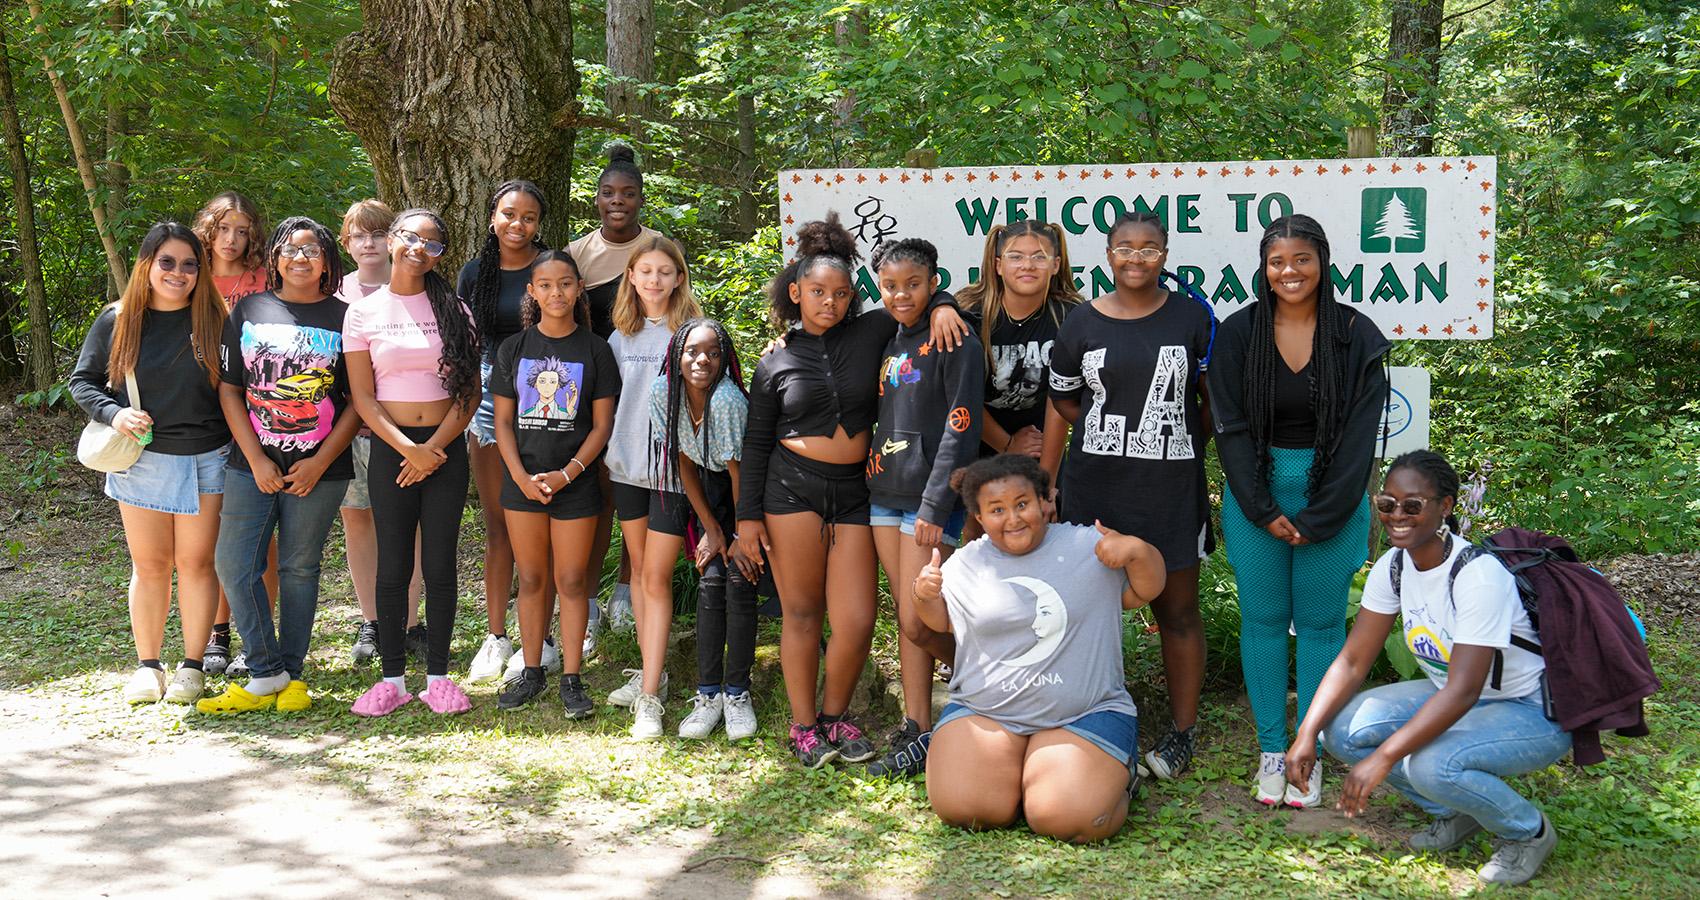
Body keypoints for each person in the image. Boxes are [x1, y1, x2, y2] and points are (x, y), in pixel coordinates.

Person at [735, 214, 967, 768]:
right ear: (796, 292)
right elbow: (756, 441)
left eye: (841, 294)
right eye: (817, 292)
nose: (830, 303)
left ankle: (836, 714)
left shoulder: (873, 332)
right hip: (789, 492)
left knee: (859, 618)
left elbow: (918, 295)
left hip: (857, 490)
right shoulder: (774, 360)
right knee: (801, 613)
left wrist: (945, 304)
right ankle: (804, 726)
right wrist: (747, 519)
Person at [1286, 450, 1567, 886]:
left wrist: (1383, 757)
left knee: (1431, 766)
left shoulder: (1478, 575)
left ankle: (1528, 832)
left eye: (1413, 505)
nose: (1398, 515)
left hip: (1530, 708)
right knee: (1339, 729)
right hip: (1453, 694)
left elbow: (1464, 691)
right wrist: (1306, 734)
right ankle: (1456, 812)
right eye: (1387, 504)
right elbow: (1353, 659)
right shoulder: (1393, 566)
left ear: (1445, 507)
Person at [1208, 213, 1390, 806]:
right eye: (1277, 261)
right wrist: (1261, 508)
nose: (1290, 271)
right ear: (1264, 268)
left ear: (1323, 263)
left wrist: (1322, 515)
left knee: (1319, 626)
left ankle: (1305, 754)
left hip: (1331, 502)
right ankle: (1268, 750)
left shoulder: (1356, 335)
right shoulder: (1239, 333)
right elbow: (1230, 429)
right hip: (1255, 497)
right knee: (1261, 622)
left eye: (1302, 260)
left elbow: (1362, 437)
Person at [1043, 211, 1216, 785]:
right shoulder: (1081, 322)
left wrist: (1179, 439)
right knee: (1084, 613)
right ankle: (1080, 724)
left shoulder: (1193, 316)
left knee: (1178, 612)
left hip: (1169, 490)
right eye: (1125, 248)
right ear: (1108, 255)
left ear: (1165, 255)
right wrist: (1096, 437)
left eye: (1149, 248)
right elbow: (1064, 399)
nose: (1136, 258)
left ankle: (1181, 732)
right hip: (1094, 488)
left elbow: (1212, 400)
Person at [917, 454, 1165, 843]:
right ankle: (1017, 772)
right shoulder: (966, 564)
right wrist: (923, 593)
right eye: (997, 510)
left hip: (1084, 712)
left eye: (1022, 504)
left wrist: (1136, 550)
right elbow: (939, 621)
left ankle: (1103, 776)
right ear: (979, 518)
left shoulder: (1089, 547)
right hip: (986, 713)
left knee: (1067, 819)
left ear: (1044, 502)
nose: (1013, 518)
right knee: (967, 810)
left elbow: (1147, 589)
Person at [198, 217, 360, 714]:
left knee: (298, 566)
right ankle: (266, 669)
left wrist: (318, 462)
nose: (299, 258)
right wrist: (254, 457)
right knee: (233, 561)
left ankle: (292, 673)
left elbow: (359, 401)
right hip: (252, 465)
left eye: (311, 250)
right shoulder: (249, 309)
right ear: (274, 259)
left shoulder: (347, 318)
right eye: (290, 249)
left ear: (328, 260)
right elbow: (230, 388)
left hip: (321, 470)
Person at [70, 222, 231, 704]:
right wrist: (115, 413)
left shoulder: (217, 321)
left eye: (188, 264)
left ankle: (192, 666)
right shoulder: (119, 319)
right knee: (151, 565)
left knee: (198, 564)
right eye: (167, 262)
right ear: (146, 265)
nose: (178, 272)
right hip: (143, 459)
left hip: (208, 458)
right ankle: (148, 666)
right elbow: (84, 382)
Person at [345, 209, 482, 716]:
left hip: (444, 448)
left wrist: (434, 450)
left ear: (441, 254)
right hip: (391, 450)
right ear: (393, 239)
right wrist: (408, 449)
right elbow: (363, 396)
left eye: (432, 243)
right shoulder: (362, 311)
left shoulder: (455, 309)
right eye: (410, 237)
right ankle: (392, 678)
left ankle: (440, 677)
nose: (418, 249)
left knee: (441, 564)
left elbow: (471, 392)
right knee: (394, 566)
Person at [864, 238, 984, 778]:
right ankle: (918, 727)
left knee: (921, 620)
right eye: (891, 286)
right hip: (883, 494)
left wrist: (938, 503)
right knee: (907, 620)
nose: (901, 294)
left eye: (914, 284)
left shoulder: (955, 337)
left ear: (935, 282)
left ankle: (996, 686)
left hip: (930, 502)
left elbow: (963, 425)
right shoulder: (888, 339)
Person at [490, 250, 620, 717]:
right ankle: (531, 672)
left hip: (576, 485)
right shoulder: (514, 349)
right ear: (532, 292)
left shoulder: (595, 350)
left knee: (570, 580)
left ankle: (572, 678)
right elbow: (502, 423)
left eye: (565, 284)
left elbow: (601, 427)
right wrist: (521, 478)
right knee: (531, 578)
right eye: (545, 285)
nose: (556, 293)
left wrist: (568, 473)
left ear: (579, 288)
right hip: (523, 485)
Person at [604, 236, 704, 737]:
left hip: (671, 474)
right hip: (625, 469)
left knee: (657, 577)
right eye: (645, 271)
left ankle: (648, 699)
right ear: (631, 277)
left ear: (679, 278)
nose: (655, 281)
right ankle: (654, 675)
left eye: (665, 272)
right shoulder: (620, 337)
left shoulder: (691, 334)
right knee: (641, 571)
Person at [649, 318, 759, 741]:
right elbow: (682, 462)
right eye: (693, 351)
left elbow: (739, 473)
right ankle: (708, 694)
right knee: (711, 583)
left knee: (739, 576)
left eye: (713, 353)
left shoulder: (728, 401)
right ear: (676, 354)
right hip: (706, 497)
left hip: (746, 495)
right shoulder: (664, 393)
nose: (702, 361)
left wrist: (738, 537)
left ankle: (737, 694)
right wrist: (712, 531)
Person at [568, 144, 663, 634]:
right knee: (597, 494)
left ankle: (628, 590)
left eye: (628, 193)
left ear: (641, 198)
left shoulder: (658, 246)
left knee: (634, 485)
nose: (618, 201)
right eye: (609, 193)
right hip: (591, 386)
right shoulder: (580, 253)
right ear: (597, 199)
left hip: (644, 383)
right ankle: (584, 600)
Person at [460, 179, 552, 683]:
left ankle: (545, 639)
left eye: (529, 217)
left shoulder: (550, 267)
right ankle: (496, 637)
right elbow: (460, 338)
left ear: (540, 223)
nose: (518, 225)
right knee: (498, 524)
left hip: (548, 395)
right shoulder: (475, 273)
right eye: (509, 214)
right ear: (492, 217)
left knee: (542, 524)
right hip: (488, 396)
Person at [335, 199, 424, 664]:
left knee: (409, 525)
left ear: (392, 241)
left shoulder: (414, 288)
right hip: (349, 433)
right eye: (358, 235)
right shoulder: (335, 295)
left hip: (404, 433)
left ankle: (408, 622)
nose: (367, 243)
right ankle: (371, 621)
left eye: (376, 234)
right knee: (360, 520)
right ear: (346, 243)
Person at [192, 190, 270, 676]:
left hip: (260, 412)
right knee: (216, 530)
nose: (232, 239)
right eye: (223, 229)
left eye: (242, 231)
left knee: (260, 532)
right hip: (201, 411)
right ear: (208, 228)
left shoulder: (263, 279)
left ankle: (257, 634)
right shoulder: (191, 274)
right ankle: (217, 633)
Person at [955, 220, 1079, 525]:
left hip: (1042, 440)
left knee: (1042, 524)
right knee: (981, 530)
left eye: (1039, 256)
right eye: (1016, 256)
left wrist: (1046, 484)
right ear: (997, 265)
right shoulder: (970, 311)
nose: (1028, 265)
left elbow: (1059, 402)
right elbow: (959, 394)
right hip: (979, 437)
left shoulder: (1070, 315)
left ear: (1055, 264)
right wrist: (1008, 445)